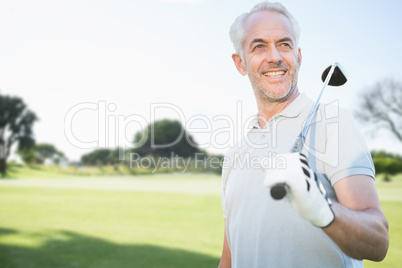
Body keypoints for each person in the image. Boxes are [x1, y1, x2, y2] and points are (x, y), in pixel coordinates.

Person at [219, 1, 389, 267]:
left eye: (284, 44)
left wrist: (324, 212)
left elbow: (378, 242)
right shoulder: (234, 155)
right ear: (240, 63)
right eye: (259, 45)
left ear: (298, 57)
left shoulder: (333, 122)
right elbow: (229, 259)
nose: (274, 56)